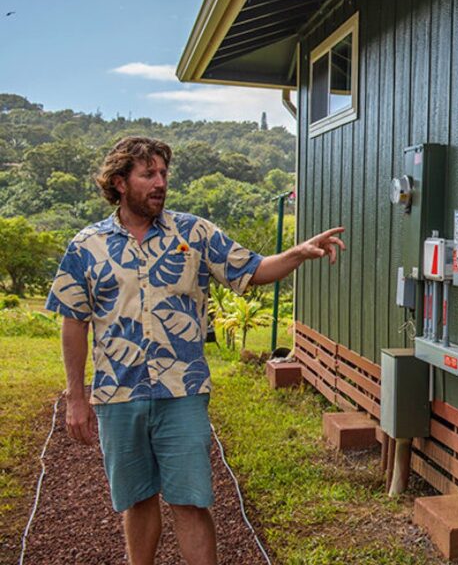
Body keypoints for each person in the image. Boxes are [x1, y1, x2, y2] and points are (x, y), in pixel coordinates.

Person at [45, 136, 344, 565]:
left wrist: (296, 253)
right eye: (148, 174)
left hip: (181, 392)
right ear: (119, 182)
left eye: (164, 173)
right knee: (138, 499)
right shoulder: (86, 246)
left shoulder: (194, 233)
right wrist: (76, 396)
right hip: (118, 394)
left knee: (191, 500)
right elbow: (72, 320)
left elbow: (252, 269)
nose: (160, 182)